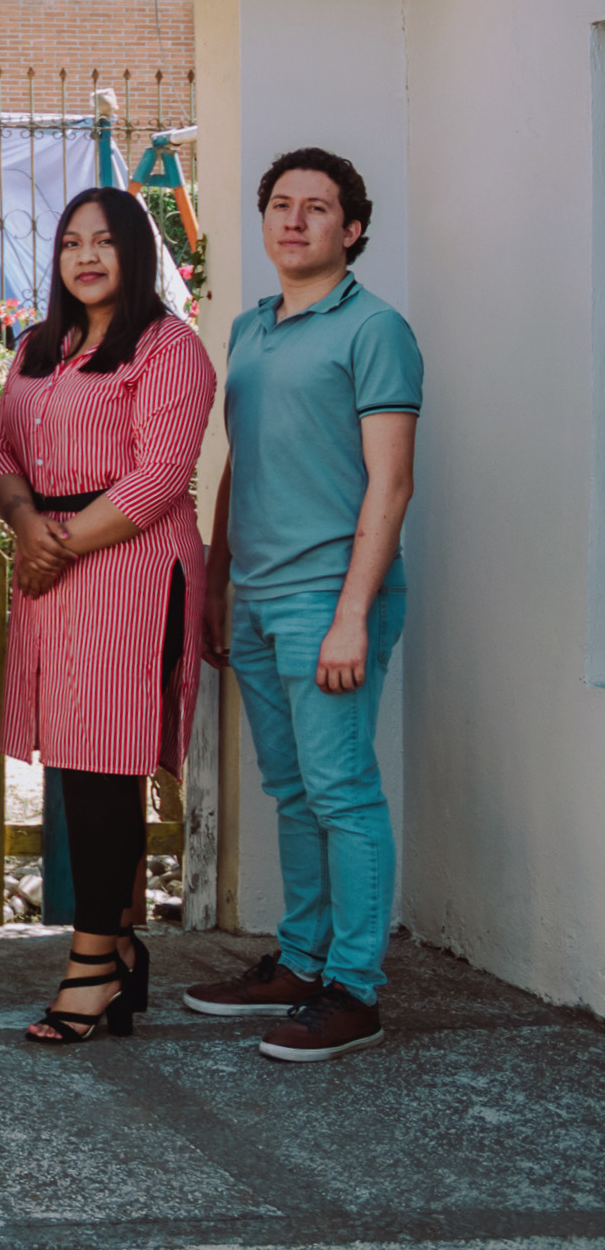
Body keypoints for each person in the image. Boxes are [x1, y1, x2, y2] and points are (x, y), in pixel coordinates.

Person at [183, 149, 421, 1063]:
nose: (293, 220)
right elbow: (237, 464)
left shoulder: (374, 328)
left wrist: (353, 613)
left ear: (350, 230)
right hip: (253, 595)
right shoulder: (249, 330)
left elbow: (390, 484)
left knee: (341, 792)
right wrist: (218, 583)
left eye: (315, 208)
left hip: (329, 594)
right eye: (279, 204)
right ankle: (299, 963)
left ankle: (353, 991)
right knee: (290, 791)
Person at [0, 187, 217, 1045]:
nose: (84, 257)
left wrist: (56, 546)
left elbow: (160, 474)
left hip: (130, 561)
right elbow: (3, 451)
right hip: (47, 553)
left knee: (103, 762)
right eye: (70, 243)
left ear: (134, 251)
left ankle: (90, 965)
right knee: (78, 762)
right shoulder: (35, 347)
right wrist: (25, 525)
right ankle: (118, 950)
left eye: (103, 242)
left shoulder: (169, 348)